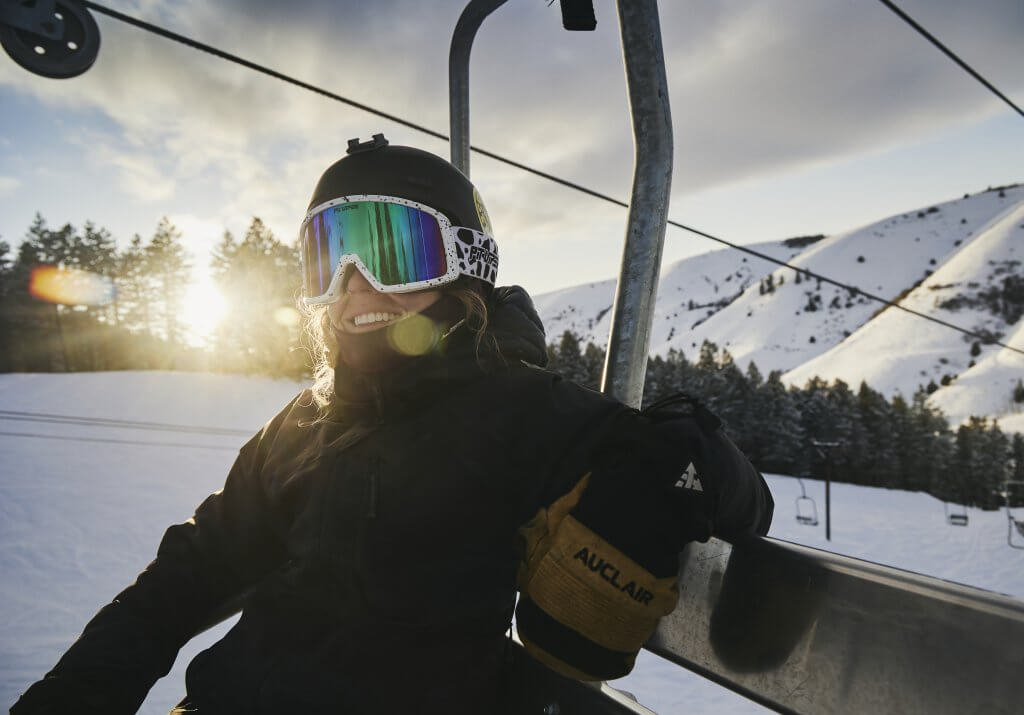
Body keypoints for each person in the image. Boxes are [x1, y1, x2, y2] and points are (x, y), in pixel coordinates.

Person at [12, 135, 773, 714]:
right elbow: (186, 575)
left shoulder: (526, 410)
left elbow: (739, 497)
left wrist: (688, 451)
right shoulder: (305, 419)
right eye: (327, 260)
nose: (354, 287)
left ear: (463, 267)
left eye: (391, 253)